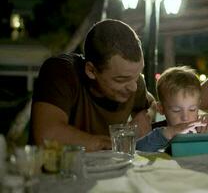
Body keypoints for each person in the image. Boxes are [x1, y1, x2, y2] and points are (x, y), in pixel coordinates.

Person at [30, 19, 156, 151]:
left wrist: (147, 116)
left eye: (137, 76)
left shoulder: (133, 82)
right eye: (121, 79)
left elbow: (151, 104)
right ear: (91, 70)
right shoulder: (62, 72)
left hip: (108, 169)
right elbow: (46, 136)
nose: (133, 87)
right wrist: (108, 144)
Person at [136, 66, 208, 152]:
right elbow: (137, 149)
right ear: (161, 108)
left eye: (192, 109)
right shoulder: (157, 133)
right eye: (176, 110)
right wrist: (168, 133)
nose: (185, 117)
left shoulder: (202, 131)